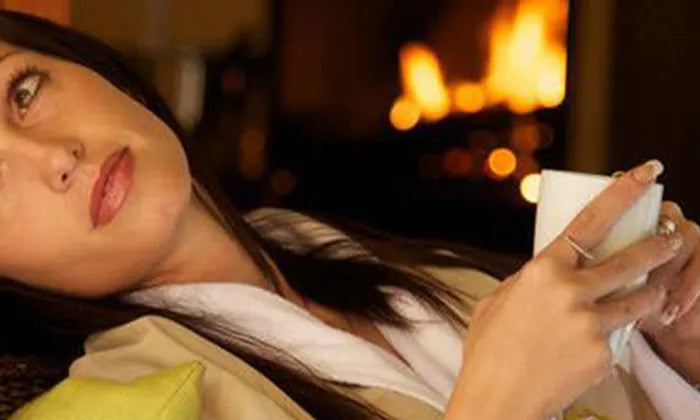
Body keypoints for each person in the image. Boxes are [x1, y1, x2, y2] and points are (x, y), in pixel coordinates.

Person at [0, 10, 698, 419]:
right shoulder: (121, 399)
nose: (56, 156)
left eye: (22, 93)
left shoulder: (316, 244)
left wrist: (678, 350)